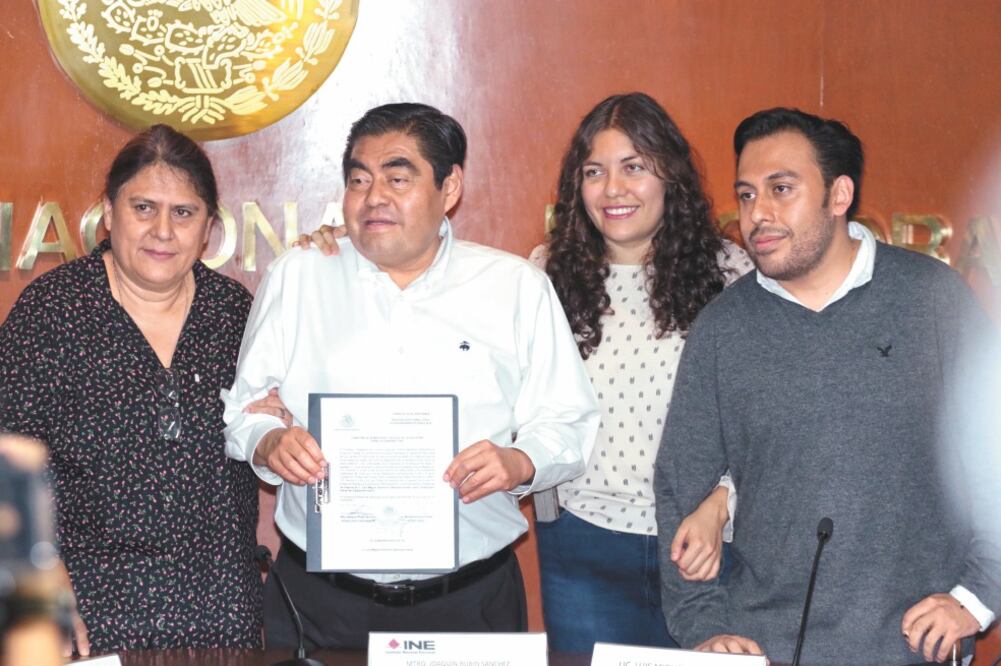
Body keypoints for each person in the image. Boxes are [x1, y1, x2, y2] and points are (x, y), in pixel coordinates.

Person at [221, 102, 600, 649]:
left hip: (469, 600)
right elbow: (245, 411)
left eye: (398, 178)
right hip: (320, 604)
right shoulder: (300, 277)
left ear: (450, 188)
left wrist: (518, 461)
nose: (374, 196)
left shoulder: (514, 287)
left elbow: (568, 421)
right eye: (359, 179)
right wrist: (270, 442)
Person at [654, 107, 1001, 665]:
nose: (757, 214)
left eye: (781, 189)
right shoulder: (723, 328)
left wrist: (977, 598)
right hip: (764, 647)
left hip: (911, 647)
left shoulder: (933, 300)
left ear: (839, 195)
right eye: (746, 195)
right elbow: (680, 489)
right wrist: (705, 628)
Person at [0, 125, 285, 653]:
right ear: (109, 213)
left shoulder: (234, 314)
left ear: (208, 228)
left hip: (221, 615)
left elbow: (267, 428)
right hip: (85, 614)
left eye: (184, 213)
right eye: (144, 208)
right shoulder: (54, 311)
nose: (163, 231)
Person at [527, 92, 753, 652]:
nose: (613, 189)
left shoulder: (731, 274)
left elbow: (763, 413)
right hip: (582, 542)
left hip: (705, 544)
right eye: (594, 172)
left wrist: (721, 503)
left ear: (670, 175)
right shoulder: (544, 275)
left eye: (633, 168)